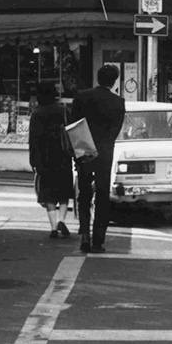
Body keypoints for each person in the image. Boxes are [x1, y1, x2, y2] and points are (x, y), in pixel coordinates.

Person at [69, 64, 126, 253]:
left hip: (84, 149)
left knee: (84, 194)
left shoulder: (82, 96)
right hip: (104, 153)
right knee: (102, 195)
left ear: (98, 77)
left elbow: (73, 125)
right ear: (115, 80)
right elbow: (114, 132)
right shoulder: (118, 102)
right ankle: (98, 240)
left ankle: (84, 235)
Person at [28, 81, 74, 239]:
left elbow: (33, 139)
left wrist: (33, 160)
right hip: (62, 155)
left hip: (44, 157)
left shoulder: (37, 113)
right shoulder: (63, 110)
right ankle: (62, 219)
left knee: (48, 192)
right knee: (63, 191)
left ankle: (54, 228)